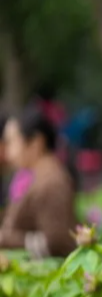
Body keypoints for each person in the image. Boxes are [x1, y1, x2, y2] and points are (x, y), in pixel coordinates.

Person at [0, 108, 77, 258]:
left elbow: (58, 243)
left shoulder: (52, 183)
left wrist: (6, 239)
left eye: (13, 142)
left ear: (36, 143)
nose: (9, 152)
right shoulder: (37, 176)